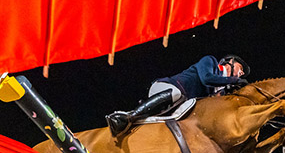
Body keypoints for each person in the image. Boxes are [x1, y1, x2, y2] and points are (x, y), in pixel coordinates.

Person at [106, 55, 249, 137]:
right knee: (177, 94)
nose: (241, 73)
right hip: (167, 88)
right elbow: (206, 78)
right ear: (229, 62)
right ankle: (127, 117)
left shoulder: (220, 90)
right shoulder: (210, 62)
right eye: (240, 68)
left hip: (178, 107)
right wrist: (235, 80)